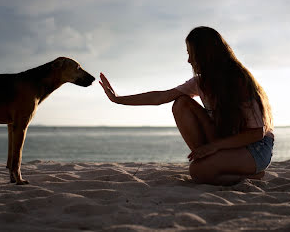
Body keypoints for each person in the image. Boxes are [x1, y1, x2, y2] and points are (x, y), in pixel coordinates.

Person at [100, 26, 274, 185]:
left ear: (206, 54)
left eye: (191, 53)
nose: (189, 60)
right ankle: (210, 162)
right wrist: (118, 99)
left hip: (255, 147)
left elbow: (257, 133)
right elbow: (161, 97)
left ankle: (250, 176)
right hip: (225, 142)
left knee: (198, 172)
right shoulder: (201, 82)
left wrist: (214, 146)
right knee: (181, 103)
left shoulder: (239, 82)